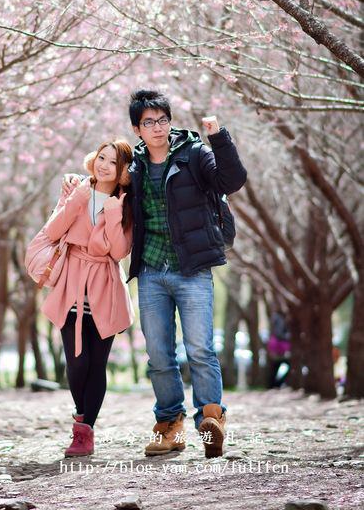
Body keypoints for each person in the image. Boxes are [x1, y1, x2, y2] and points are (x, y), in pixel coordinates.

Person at [64, 90, 247, 458]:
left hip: (192, 268)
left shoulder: (195, 154)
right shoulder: (136, 168)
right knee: (160, 356)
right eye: (149, 122)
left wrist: (219, 137)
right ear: (138, 128)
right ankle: (170, 428)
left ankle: (211, 423)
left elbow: (231, 180)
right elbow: (105, 182)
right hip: (150, 271)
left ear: (169, 121)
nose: (158, 127)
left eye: (163, 119)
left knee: (199, 349)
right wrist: (76, 182)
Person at [40, 139, 135, 457]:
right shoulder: (76, 188)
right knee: (76, 364)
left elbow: (119, 252)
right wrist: (77, 199)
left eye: (113, 162)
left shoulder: (125, 202)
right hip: (71, 283)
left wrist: (112, 215)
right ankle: (82, 417)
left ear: (122, 171)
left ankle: (84, 431)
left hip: (105, 287)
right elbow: (53, 231)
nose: (104, 164)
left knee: (97, 365)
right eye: (101, 157)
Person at [267, 309, 291, 388]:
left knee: (276, 366)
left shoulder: (275, 318)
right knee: (281, 364)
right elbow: (279, 333)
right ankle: (276, 384)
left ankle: (275, 384)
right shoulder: (279, 319)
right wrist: (288, 336)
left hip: (277, 346)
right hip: (279, 347)